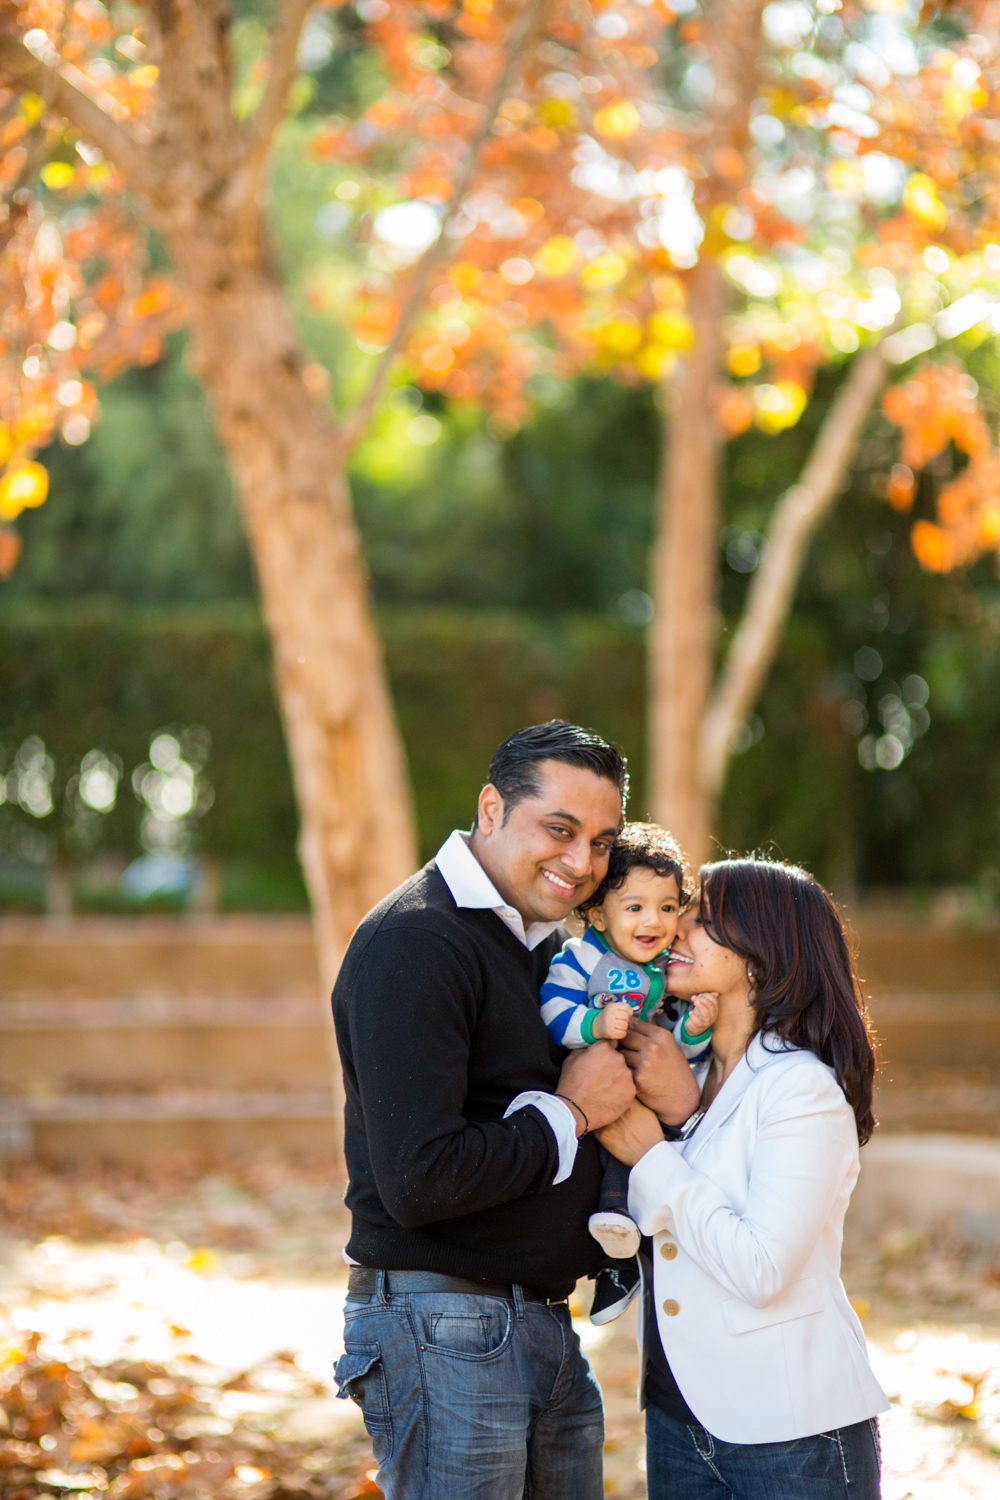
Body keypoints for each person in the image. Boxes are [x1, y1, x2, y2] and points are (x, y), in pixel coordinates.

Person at [331, 720, 700, 1500]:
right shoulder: (419, 941)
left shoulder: (538, 946)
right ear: (491, 809)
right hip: (445, 1328)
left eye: (602, 843)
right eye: (559, 831)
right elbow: (420, 1179)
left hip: (535, 1322)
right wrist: (570, 1112)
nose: (582, 864)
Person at [598, 857, 889, 1500]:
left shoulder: (801, 1087)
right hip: (678, 1419)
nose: (673, 930)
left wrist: (654, 1157)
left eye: (698, 920)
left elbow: (760, 1267)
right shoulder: (687, 1073)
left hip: (791, 1435)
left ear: (761, 952)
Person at [539, 822, 717, 1325]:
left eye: (666, 907)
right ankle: (614, 1254)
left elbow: (672, 1045)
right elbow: (553, 1012)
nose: (654, 921)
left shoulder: (665, 969)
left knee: (642, 1154)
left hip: (644, 1095)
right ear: (597, 913)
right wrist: (594, 1023)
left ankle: (623, 1255)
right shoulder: (582, 957)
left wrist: (697, 1030)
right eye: (635, 907)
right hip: (591, 1090)